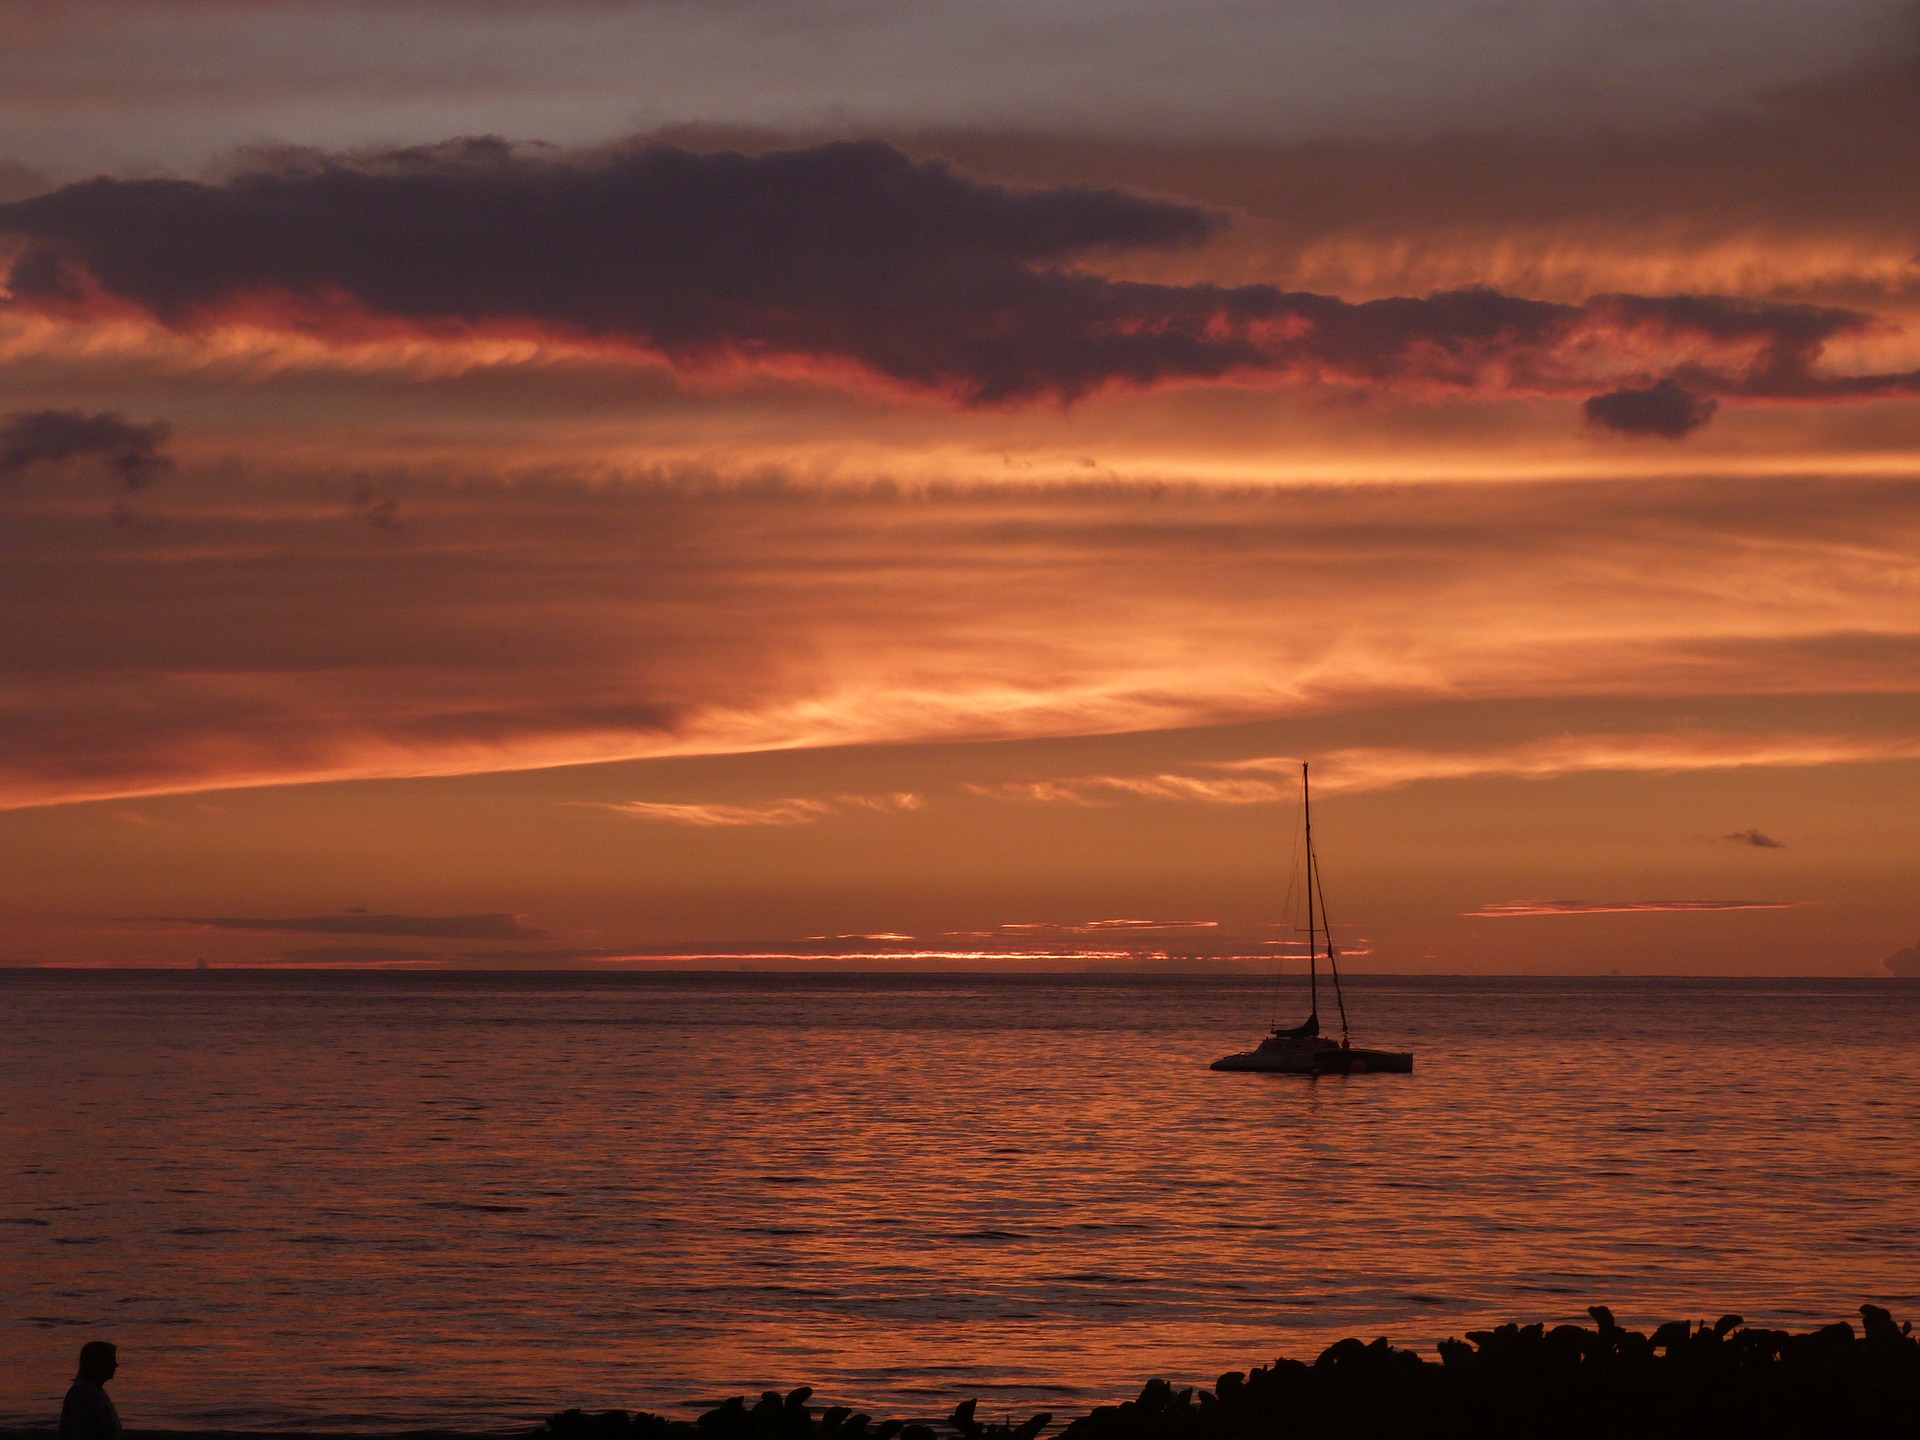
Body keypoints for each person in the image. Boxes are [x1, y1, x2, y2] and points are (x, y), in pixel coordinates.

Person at [60, 1342, 122, 1440]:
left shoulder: (95, 1390)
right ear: (100, 1362)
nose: (116, 1365)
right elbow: (79, 1431)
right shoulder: (83, 1392)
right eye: (112, 1360)